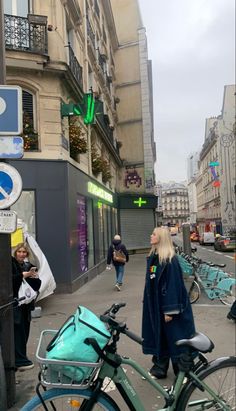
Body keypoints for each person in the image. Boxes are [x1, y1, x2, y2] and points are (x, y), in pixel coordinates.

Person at [142, 227, 196, 379]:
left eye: (154, 234)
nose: (151, 236)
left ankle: (182, 372)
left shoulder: (169, 260)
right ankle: (160, 367)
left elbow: (173, 286)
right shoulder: (155, 256)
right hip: (156, 305)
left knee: (175, 338)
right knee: (161, 336)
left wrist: (169, 310)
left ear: (161, 238)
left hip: (168, 307)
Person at [12, 243, 41, 371]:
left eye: (24, 252)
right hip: (17, 304)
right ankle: (19, 358)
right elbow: (12, 281)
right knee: (18, 331)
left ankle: (21, 355)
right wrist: (25, 275)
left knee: (25, 330)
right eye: (19, 252)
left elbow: (35, 287)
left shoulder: (29, 266)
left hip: (26, 304)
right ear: (15, 252)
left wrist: (34, 277)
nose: (22, 254)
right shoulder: (12, 265)